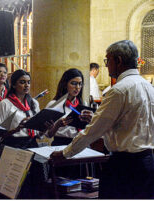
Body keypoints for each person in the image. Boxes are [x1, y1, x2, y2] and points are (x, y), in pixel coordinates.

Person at [50, 40, 154, 199]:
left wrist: (65, 153)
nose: (106, 66)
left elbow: (92, 132)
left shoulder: (119, 90)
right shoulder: (148, 87)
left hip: (125, 166)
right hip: (148, 162)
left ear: (118, 60)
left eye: (108, 60)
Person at [45, 68, 92, 146]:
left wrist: (91, 120)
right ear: (65, 84)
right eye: (73, 83)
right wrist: (57, 125)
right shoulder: (54, 104)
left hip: (80, 143)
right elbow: (48, 135)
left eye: (80, 84)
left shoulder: (83, 104)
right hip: (61, 143)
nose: (77, 87)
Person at [0, 69, 40, 149]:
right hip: (13, 144)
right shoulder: (5, 103)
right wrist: (16, 129)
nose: (27, 85)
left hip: (32, 144)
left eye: (28, 82)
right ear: (13, 85)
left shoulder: (34, 103)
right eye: (22, 82)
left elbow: (39, 133)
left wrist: (45, 127)